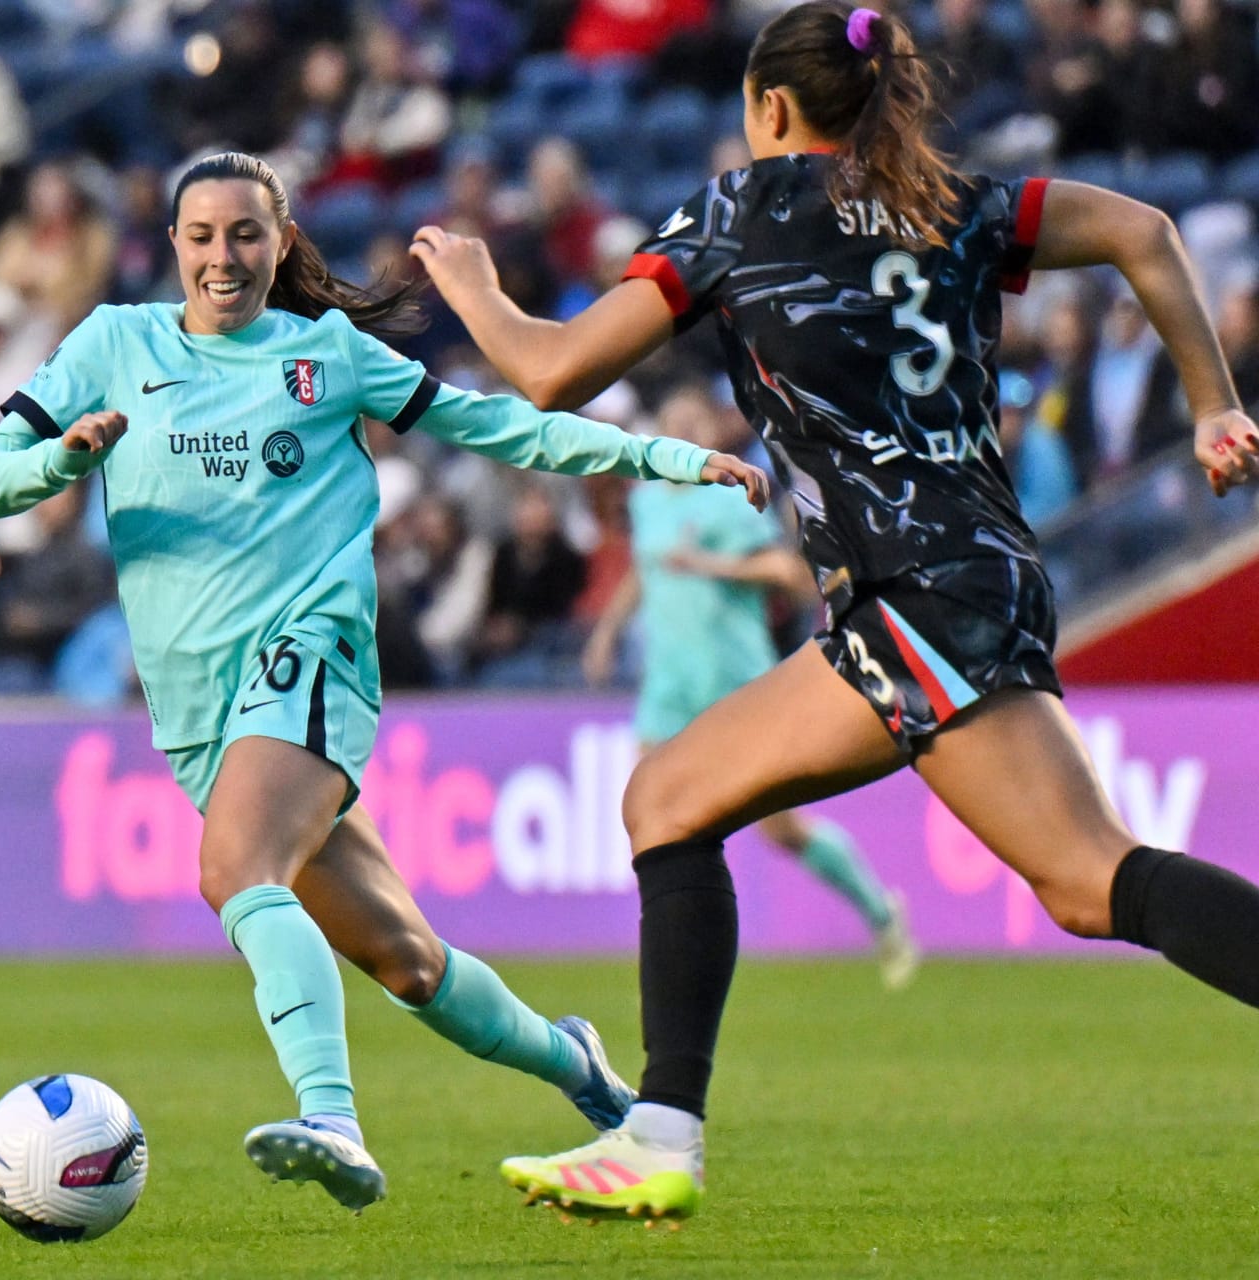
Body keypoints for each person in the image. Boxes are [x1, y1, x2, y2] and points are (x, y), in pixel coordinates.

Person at [410, 0, 1259, 1224]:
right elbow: (1146, 229)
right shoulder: (952, 201)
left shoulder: (739, 212)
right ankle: (659, 1132)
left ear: (769, 106)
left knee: (670, 800)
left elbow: (549, 372)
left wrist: (475, 288)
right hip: (985, 571)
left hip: (909, 590)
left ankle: (661, 1134)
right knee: (1085, 882)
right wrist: (1214, 404)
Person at [0, 151, 767, 1213]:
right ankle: (583, 1067)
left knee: (236, 868)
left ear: (282, 242)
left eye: (245, 234)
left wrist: (662, 459)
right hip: (197, 706)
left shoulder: (327, 355)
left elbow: (501, 424)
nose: (222, 256)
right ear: (172, 246)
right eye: (201, 236)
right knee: (410, 964)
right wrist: (64, 458)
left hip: (312, 653)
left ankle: (331, 1117)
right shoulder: (115, 343)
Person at [582, 385, 918, 987]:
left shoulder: (731, 499)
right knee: (649, 812)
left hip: (734, 680)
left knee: (781, 829)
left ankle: (879, 910)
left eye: (694, 422)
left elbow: (788, 574)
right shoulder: (647, 501)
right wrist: (607, 632)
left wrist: (712, 565)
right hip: (670, 682)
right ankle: (671, 952)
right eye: (673, 421)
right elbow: (644, 569)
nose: (683, 431)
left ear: (711, 433)